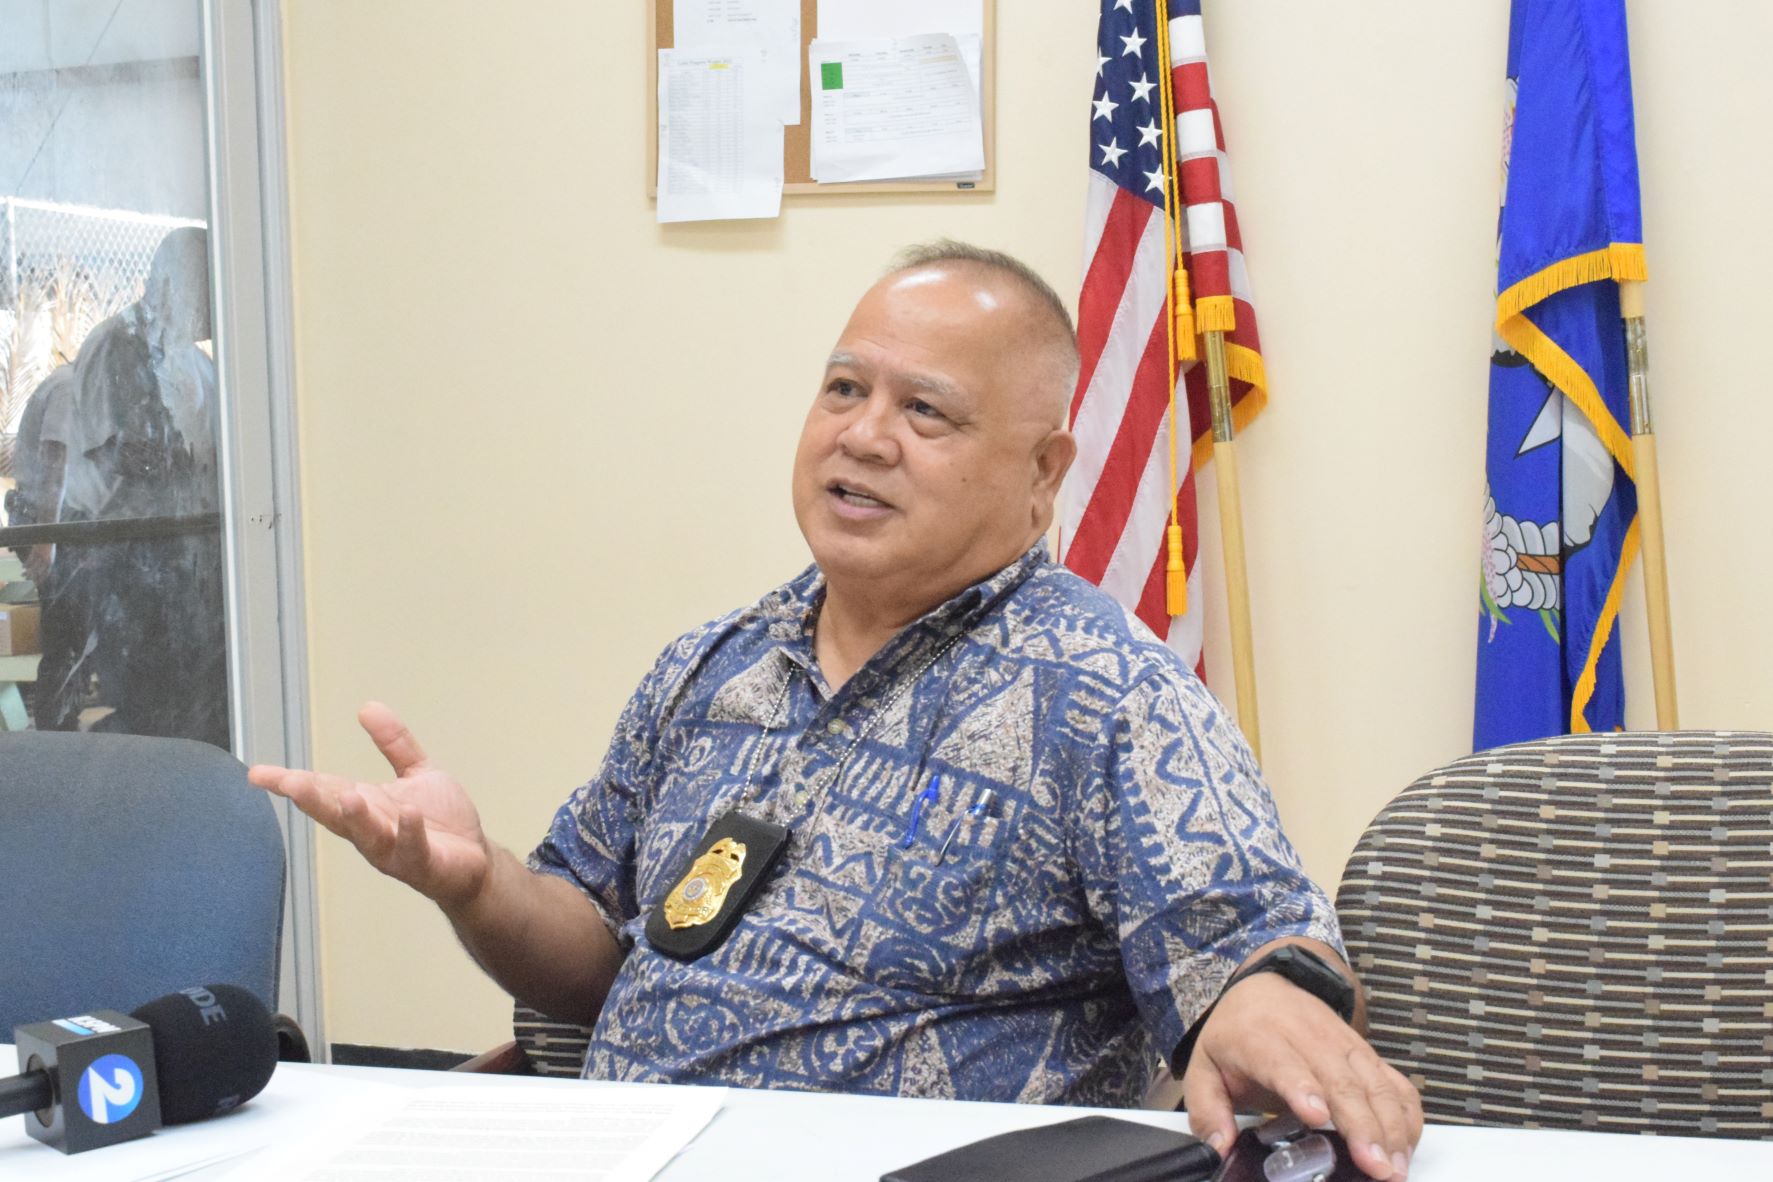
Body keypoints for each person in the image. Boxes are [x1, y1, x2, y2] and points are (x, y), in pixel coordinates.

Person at [252, 243, 1423, 1180]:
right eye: (844, 388)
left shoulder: (1105, 690)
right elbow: (589, 962)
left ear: (1044, 472)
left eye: (928, 412)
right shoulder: (710, 667)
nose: (863, 435)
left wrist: (1272, 1006)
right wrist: (477, 881)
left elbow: (1262, 949)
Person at [31, 227, 227, 745]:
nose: (211, 309)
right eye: (205, 290)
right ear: (173, 284)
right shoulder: (118, 344)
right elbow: (129, 457)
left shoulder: (199, 362)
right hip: (129, 563)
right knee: (147, 713)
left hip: (190, 565)